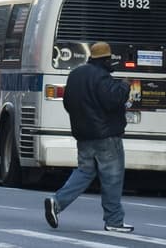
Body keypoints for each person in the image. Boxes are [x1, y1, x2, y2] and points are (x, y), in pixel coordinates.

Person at [44, 42, 133, 234]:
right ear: (106, 59)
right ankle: (114, 221)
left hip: (83, 135)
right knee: (112, 178)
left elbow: (68, 103)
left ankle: (57, 202)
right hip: (107, 136)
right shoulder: (102, 77)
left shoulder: (76, 75)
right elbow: (113, 100)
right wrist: (125, 86)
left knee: (84, 172)